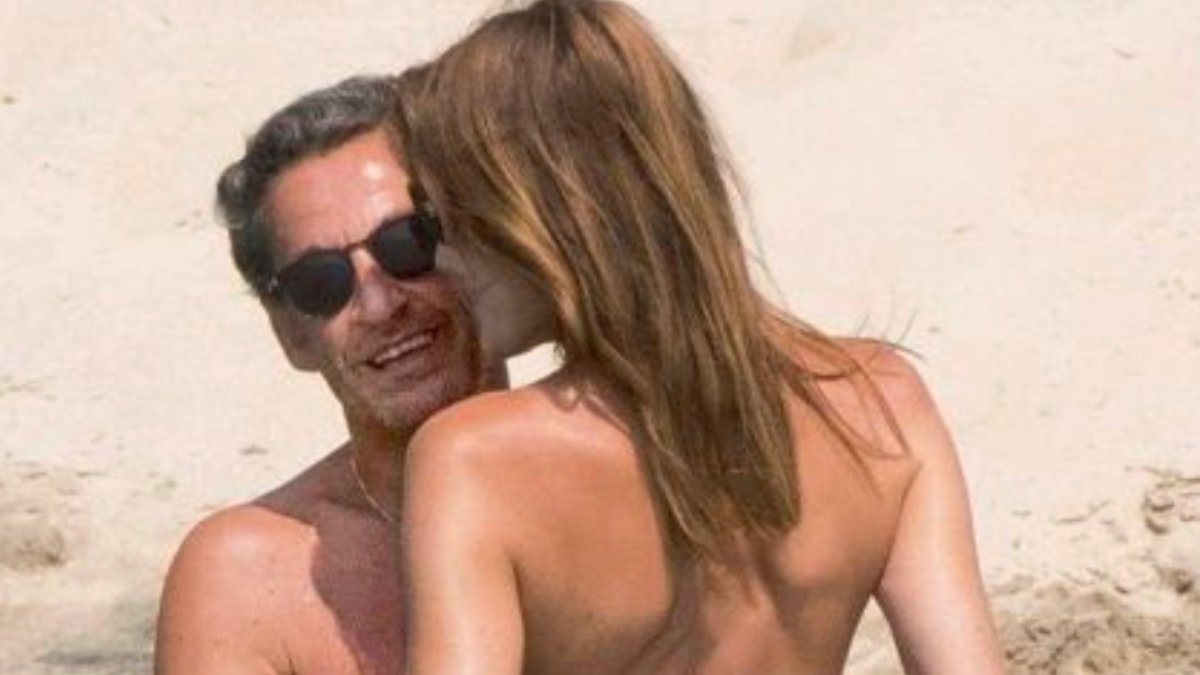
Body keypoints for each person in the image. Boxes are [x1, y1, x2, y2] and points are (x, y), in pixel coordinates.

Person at [390, 1, 1006, 673]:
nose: (437, 259)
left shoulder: (475, 458)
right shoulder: (883, 403)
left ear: (534, 211)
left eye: (437, 217)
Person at [154, 75, 499, 675]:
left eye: (408, 242)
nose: (380, 305)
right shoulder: (247, 578)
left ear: (490, 245)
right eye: (321, 282)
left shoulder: (641, 475)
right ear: (291, 334)